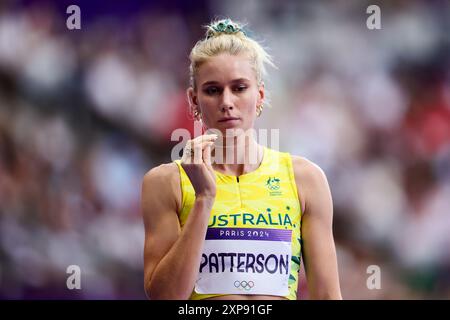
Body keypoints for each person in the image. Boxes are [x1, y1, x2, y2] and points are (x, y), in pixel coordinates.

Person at [141, 18, 342, 300]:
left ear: (259, 95)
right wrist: (204, 199)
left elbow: (327, 296)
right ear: (194, 101)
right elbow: (165, 297)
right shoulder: (166, 183)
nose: (226, 101)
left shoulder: (305, 179)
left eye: (239, 88)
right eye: (212, 90)